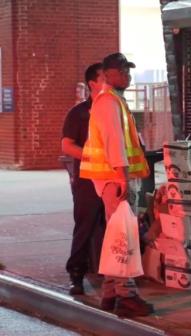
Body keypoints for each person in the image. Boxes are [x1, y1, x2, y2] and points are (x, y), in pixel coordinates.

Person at [79, 53, 154, 318]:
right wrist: (123, 177)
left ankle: (111, 293)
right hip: (115, 179)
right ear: (107, 74)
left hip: (113, 179)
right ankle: (127, 293)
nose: (128, 75)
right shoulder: (109, 102)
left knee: (117, 234)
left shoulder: (113, 101)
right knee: (124, 236)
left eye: (128, 70)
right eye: (122, 70)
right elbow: (114, 143)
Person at [61, 63, 107, 295]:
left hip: (113, 180)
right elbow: (67, 145)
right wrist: (94, 157)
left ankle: (112, 278)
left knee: (113, 229)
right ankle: (76, 275)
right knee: (85, 227)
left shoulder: (118, 109)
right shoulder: (79, 113)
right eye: (104, 78)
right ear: (93, 84)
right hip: (87, 181)